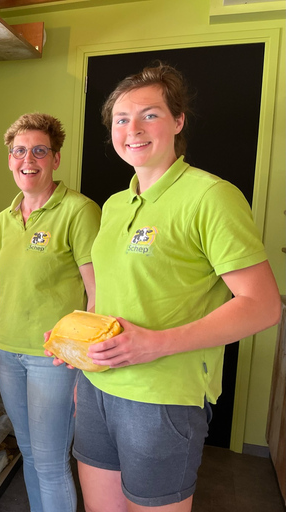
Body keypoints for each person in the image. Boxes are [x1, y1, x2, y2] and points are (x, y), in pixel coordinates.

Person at [70, 63, 281, 512]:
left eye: (150, 114)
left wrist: (155, 345)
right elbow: (108, 297)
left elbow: (262, 306)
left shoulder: (211, 196)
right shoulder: (114, 204)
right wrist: (77, 344)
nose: (133, 129)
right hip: (96, 386)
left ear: (178, 121)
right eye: (122, 119)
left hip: (162, 398)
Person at [0, 113, 101, 512]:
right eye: (19, 151)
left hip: (54, 359)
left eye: (39, 150)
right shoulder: (3, 219)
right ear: (10, 158)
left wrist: (83, 360)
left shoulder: (79, 211)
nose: (28, 159)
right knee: (28, 454)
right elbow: (0, 287)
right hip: (9, 353)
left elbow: (98, 293)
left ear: (55, 158)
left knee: (50, 462)